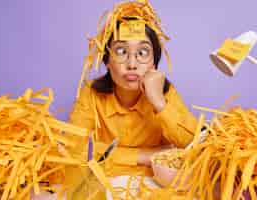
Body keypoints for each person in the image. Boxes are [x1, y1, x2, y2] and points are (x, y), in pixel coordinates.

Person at [65, 0, 198, 199]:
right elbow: (75, 150)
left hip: (154, 188)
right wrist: (146, 155)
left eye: (142, 53)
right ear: (107, 61)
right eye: (121, 52)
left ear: (154, 61)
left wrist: (159, 104)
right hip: (103, 186)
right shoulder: (90, 94)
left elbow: (193, 145)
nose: (132, 63)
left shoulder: (166, 94)